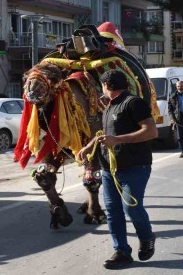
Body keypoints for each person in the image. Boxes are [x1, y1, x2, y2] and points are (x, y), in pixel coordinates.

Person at [77, 70, 157, 270]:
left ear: (106, 85)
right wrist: (89, 146)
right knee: (112, 212)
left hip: (135, 167)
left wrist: (118, 140)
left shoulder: (133, 103)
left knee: (131, 207)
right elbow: (106, 133)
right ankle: (121, 251)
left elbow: (151, 130)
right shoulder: (109, 107)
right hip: (109, 170)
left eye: (101, 86)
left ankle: (146, 237)